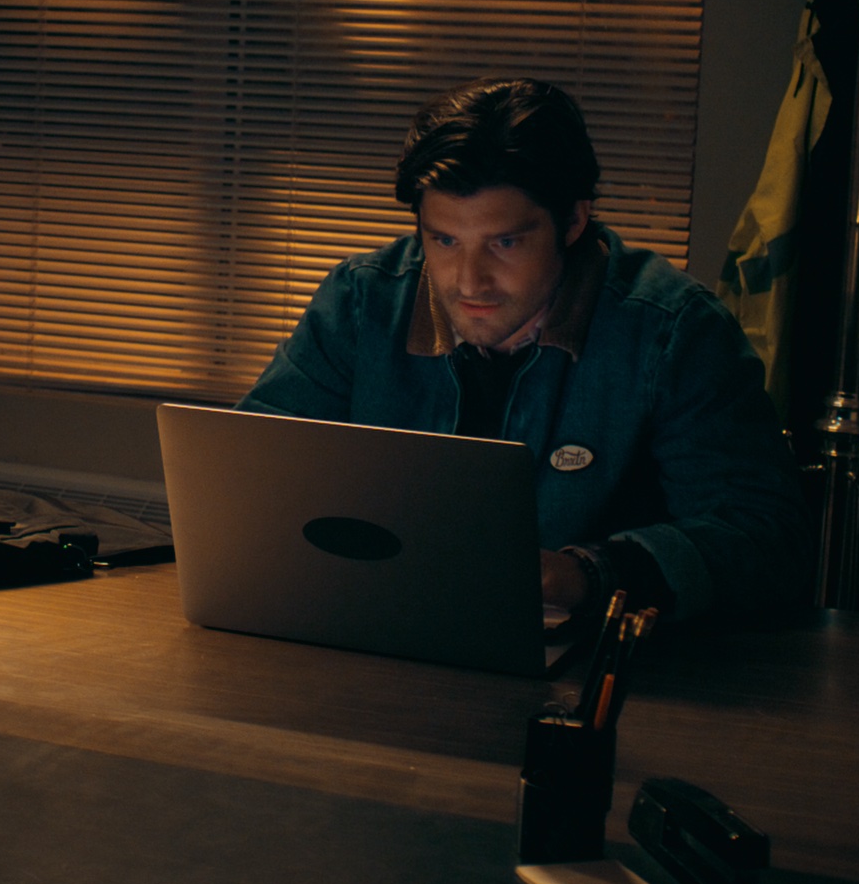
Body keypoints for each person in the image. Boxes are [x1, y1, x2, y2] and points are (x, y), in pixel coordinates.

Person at [241, 78, 811, 621]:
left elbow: (764, 538)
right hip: (372, 624)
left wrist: (588, 575)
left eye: (505, 242)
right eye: (444, 240)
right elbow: (250, 475)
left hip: (595, 658)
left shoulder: (676, 332)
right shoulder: (362, 301)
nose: (469, 281)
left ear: (574, 220)